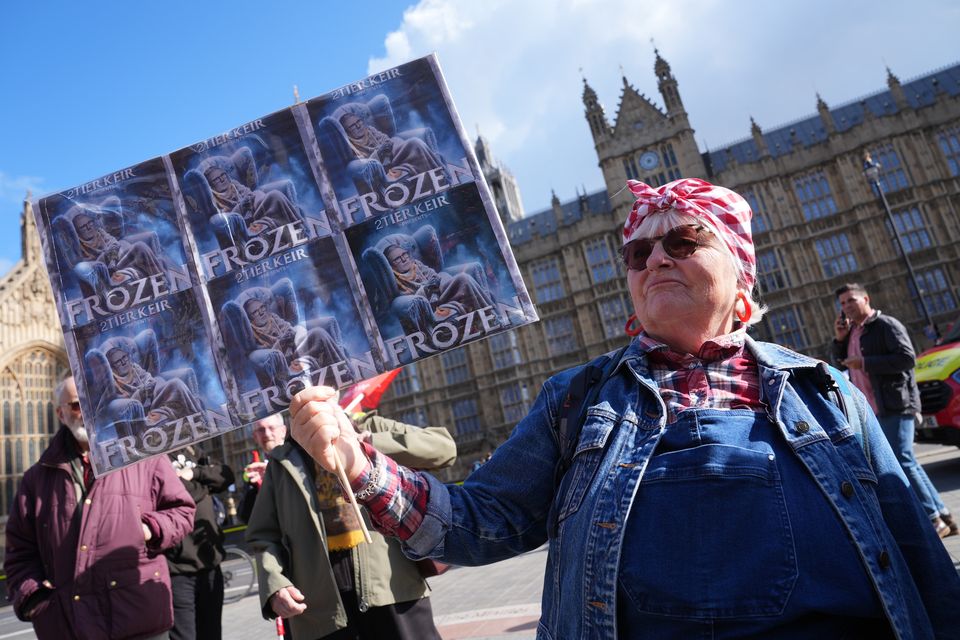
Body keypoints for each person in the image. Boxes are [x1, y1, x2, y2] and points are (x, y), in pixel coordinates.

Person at [288, 177, 960, 638]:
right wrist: (360, 459)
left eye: (683, 242)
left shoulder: (826, 391)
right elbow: (476, 522)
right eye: (638, 252)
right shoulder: (578, 400)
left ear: (740, 271)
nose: (656, 259)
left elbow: (919, 561)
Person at [5, 374, 195, 640]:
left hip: (138, 617)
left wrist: (148, 529)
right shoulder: (36, 479)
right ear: (60, 414)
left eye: (91, 402)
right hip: (70, 625)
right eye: (75, 405)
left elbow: (183, 512)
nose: (85, 411)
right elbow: (19, 553)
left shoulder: (143, 455)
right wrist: (35, 598)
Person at [244, 410, 456, 640]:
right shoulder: (282, 459)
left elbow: (443, 448)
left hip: (391, 587)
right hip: (321, 608)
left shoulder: (369, 425)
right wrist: (275, 585)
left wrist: (372, 442)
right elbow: (263, 535)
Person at [832, 282, 957, 539]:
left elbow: (907, 358)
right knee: (907, 460)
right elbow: (839, 362)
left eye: (851, 301)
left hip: (895, 403)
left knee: (901, 460)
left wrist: (865, 362)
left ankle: (934, 518)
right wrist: (839, 339)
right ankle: (942, 514)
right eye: (843, 304)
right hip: (874, 407)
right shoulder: (855, 332)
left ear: (866, 298)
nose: (847, 307)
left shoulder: (885, 325)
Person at [165, 446, 235, 640]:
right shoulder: (154, 456)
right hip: (177, 569)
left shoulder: (193, 451)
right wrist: (205, 486)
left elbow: (226, 475)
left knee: (212, 634)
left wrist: (194, 472)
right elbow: (172, 492)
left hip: (210, 563)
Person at [100, 338, 204, 428]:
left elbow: (148, 377)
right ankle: (197, 416)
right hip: (145, 408)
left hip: (155, 395)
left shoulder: (134, 367)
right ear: (112, 367)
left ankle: (198, 414)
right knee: (174, 385)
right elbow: (122, 406)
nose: (124, 362)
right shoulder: (113, 385)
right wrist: (140, 393)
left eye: (124, 357)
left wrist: (148, 385)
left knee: (175, 383)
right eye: (118, 361)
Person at [240, 291, 346, 377]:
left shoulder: (272, 317)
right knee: (318, 333)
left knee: (325, 327)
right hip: (286, 358)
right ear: (250, 318)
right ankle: (342, 367)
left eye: (262, 307)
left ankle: (340, 363)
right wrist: (281, 342)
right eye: (255, 312)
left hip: (296, 344)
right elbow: (267, 357)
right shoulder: (252, 335)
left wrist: (291, 333)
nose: (261, 312)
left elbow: (289, 328)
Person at [383, 240, 494, 321]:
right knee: (463, 278)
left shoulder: (416, 264)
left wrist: (435, 282)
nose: (404, 259)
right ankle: (490, 313)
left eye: (404, 254)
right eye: (397, 259)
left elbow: (434, 275)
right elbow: (408, 298)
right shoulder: (395, 280)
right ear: (391, 265)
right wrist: (426, 288)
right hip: (430, 301)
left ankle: (489, 313)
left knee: (448, 275)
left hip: (440, 291)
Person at [70, 207, 166, 290]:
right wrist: (108, 255)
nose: (88, 227)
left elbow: (114, 243)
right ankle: (161, 282)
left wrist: (112, 252)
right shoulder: (80, 249)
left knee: (138, 243)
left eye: (89, 223)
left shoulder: (99, 232)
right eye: (83, 227)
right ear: (77, 232)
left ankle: (161, 278)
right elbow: (93, 266)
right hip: (112, 268)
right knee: (140, 247)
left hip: (119, 258)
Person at [339, 112, 443, 183]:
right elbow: (365, 163)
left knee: (414, 143)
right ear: (347, 131)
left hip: (393, 153)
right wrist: (380, 152)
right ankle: (439, 175)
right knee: (415, 143)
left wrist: (386, 148)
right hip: (383, 164)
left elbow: (386, 139)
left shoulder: (369, 129)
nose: (358, 126)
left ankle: (437, 174)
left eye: (359, 121)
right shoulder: (351, 146)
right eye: (352, 126)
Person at [203, 165, 300, 236]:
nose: (222, 179)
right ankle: (297, 226)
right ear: (210, 185)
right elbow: (227, 220)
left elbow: (249, 194)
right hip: (246, 221)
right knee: (275, 195)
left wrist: (249, 199)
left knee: (268, 194)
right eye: (216, 179)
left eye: (223, 175)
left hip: (256, 209)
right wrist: (242, 205)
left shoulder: (234, 185)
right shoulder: (214, 200)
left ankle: (297, 226)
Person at [237, 413, 288, 524]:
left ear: (283, 431)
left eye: (271, 428)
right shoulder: (254, 468)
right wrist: (256, 489)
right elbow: (245, 516)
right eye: (261, 430)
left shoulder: (299, 456)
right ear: (255, 437)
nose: (267, 433)